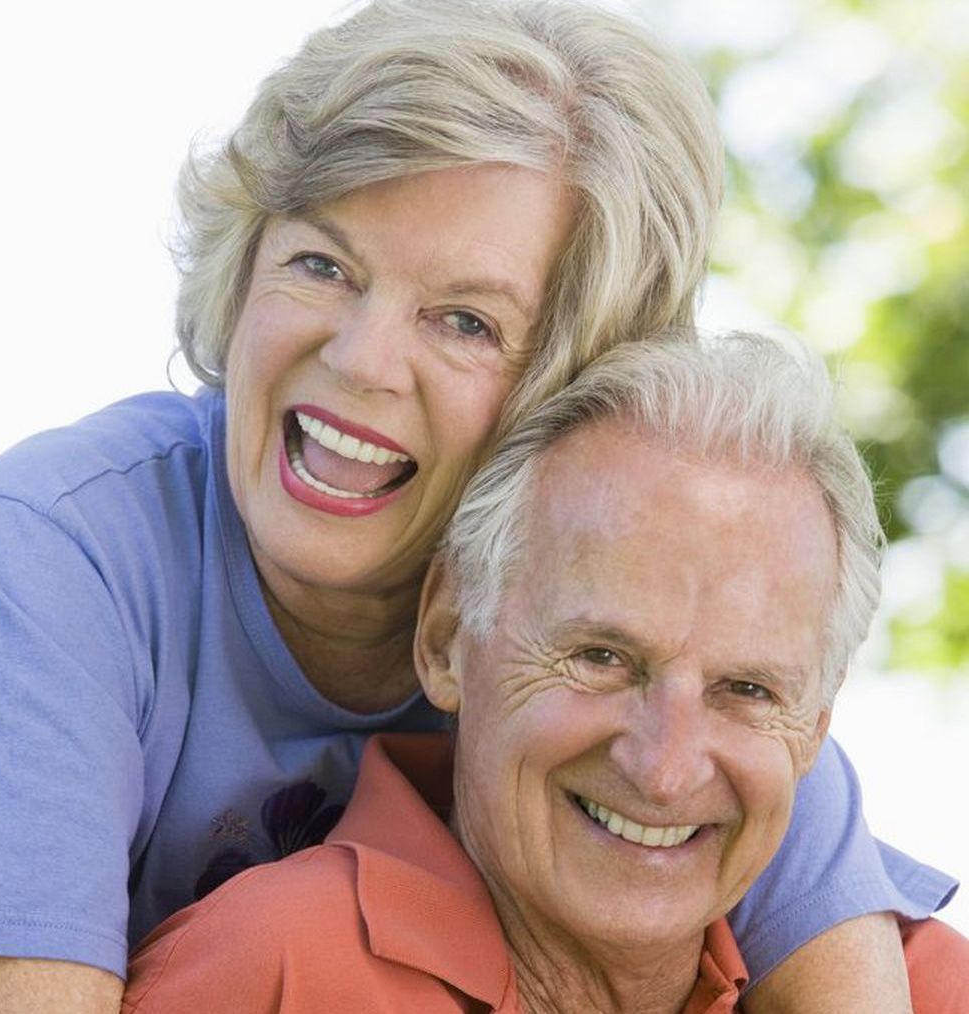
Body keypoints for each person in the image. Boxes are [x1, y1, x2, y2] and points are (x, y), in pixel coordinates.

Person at [0, 1, 953, 1011]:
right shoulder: (49, 560)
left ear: (576, 386)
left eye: (466, 322)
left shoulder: (668, 684)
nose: (362, 361)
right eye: (322, 265)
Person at [122, 332, 968, 1012]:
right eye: (601, 658)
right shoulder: (275, 974)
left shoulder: (926, 992)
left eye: (747, 690)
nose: (665, 770)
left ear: (815, 728)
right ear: (447, 638)